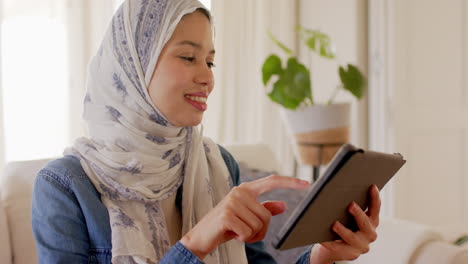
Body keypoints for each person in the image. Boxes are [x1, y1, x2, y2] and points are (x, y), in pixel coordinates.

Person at [31, 0, 380, 263]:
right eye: (188, 58)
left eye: (210, 62)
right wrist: (196, 243)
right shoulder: (65, 187)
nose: (208, 78)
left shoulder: (218, 163)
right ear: (134, 65)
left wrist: (323, 254)